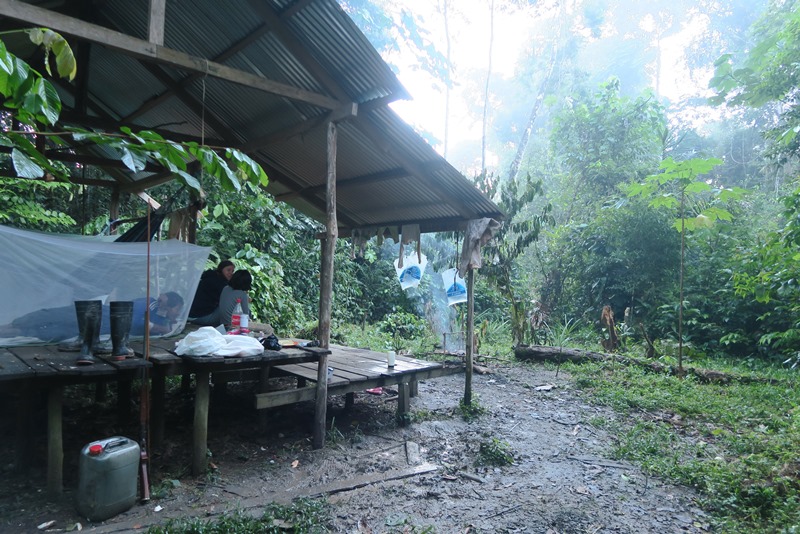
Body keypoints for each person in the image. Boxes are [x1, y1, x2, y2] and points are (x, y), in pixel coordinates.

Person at [0, 292, 184, 342]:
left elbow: (146, 328)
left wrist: (167, 321)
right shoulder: (149, 302)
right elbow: (136, 322)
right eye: (177, 308)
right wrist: (163, 325)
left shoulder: (163, 320)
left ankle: (12, 331)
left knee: (49, 333)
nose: (178, 313)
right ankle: (8, 326)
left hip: (97, 327)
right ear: (169, 304)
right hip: (94, 312)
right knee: (47, 316)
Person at [189, 260, 234, 326]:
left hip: (192, 315)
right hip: (201, 317)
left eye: (232, 271)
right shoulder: (218, 282)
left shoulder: (210, 277)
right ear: (221, 269)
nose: (231, 273)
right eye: (228, 270)